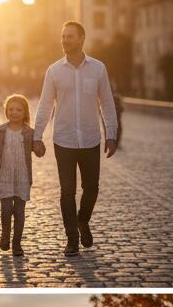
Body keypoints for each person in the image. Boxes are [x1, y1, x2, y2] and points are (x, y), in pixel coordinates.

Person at [32, 21, 118, 256]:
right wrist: (36, 136)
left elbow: (107, 104)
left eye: (69, 36)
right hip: (64, 139)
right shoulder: (53, 71)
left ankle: (82, 220)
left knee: (92, 188)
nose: (64, 40)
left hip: (91, 138)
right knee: (67, 191)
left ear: (81, 39)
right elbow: (44, 105)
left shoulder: (98, 69)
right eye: (62, 36)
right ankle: (71, 239)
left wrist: (111, 134)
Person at [0, 95, 43, 257]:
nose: (14, 112)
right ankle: (5, 233)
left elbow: (38, 151)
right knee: (6, 209)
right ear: (6, 111)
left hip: (22, 175)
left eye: (18, 110)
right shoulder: (1, 130)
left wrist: (40, 148)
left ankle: (17, 243)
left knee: (19, 211)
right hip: (5, 175)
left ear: (25, 113)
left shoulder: (29, 132)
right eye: (11, 109)